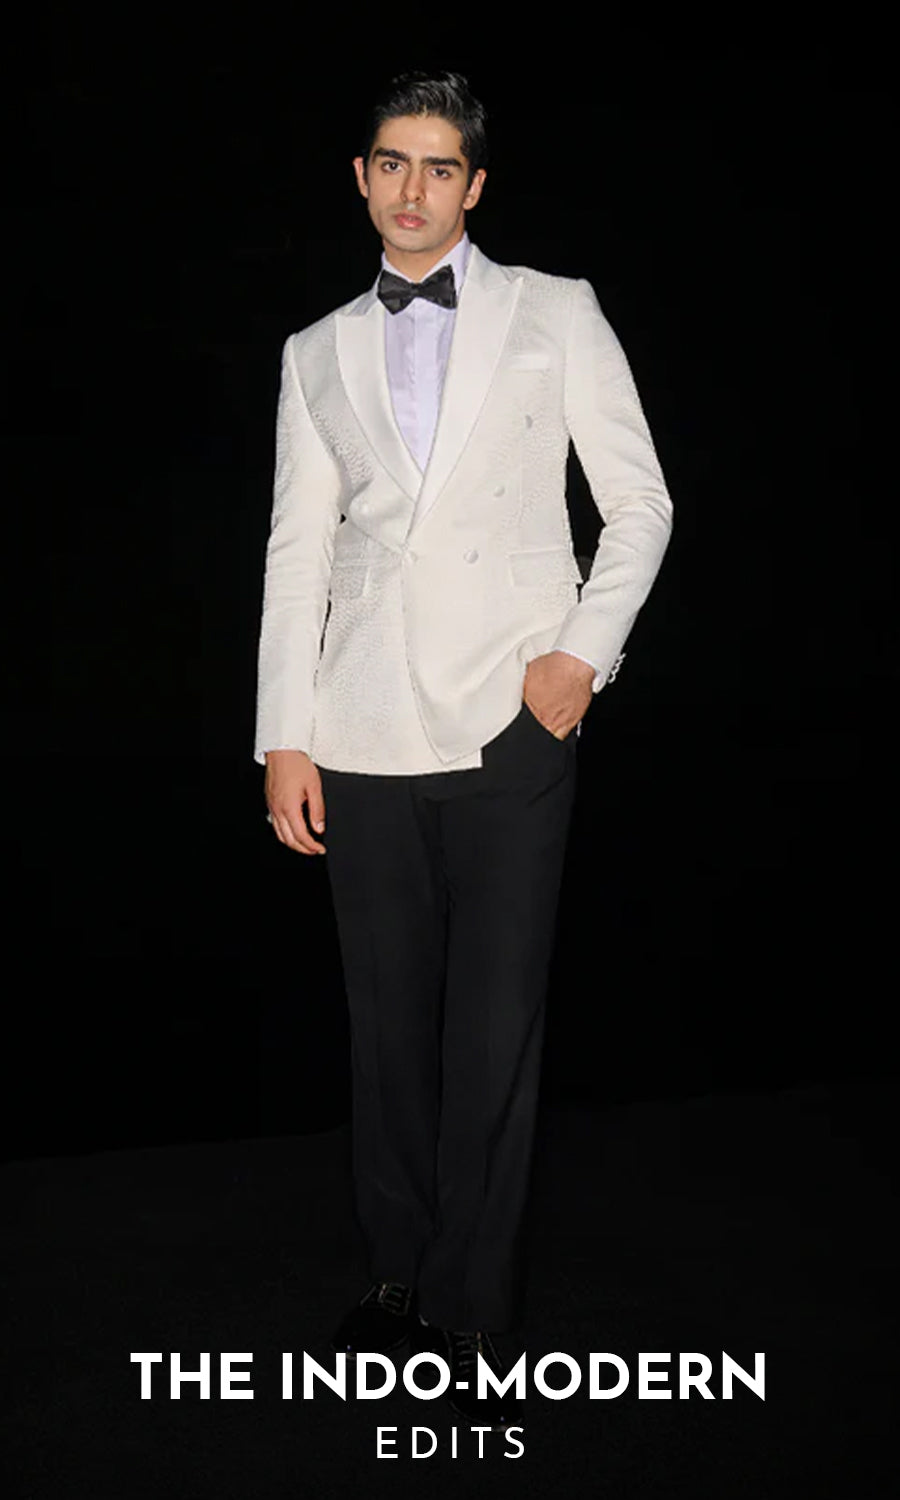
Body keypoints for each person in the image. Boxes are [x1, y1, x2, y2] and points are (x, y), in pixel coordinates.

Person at [254, 71, 673, 1429]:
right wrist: (283, 737)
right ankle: (394, 1276)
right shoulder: (315, 349)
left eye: (441, 166)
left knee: (496, 1022)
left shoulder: (556, 310)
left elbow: (641, 503)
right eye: (393, 162)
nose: (414, 187)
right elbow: (297, 553)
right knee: (386, 1026)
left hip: (513, 711)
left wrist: (580, 657)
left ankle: (473, 1299)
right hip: (363, 720)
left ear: (475, 186)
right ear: (362, 176)